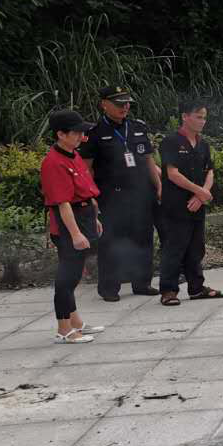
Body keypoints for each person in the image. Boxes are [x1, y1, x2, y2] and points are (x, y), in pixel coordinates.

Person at [79, 85, 161, 301]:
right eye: (118, 104)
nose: (124, 107)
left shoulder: (137, 127)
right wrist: (91, 197)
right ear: (104, 104)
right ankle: (109, 287)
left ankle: (142, 283)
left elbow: (148, 160)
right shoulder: (94, 133)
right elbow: (87, 169)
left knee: (143, 238)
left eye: (127, 103)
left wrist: (159, 186)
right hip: (112, 196)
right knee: (111, 242)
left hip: (141, 193)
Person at [40, 110, 106, 344]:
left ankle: (76, 322)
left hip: (84, 216)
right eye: (76, 132)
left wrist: (94, 218)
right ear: (60, 134)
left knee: (75, 275)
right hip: (68, 224)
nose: (81, 136)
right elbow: (62, 203)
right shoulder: (53, 163)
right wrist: (76, 234)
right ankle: (63, 329)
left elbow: (85, 192)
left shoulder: (73, 154)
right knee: (66, 279)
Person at [157, 100, 223, 305]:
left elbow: (210, 171)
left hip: (197, 204)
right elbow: (172, 173)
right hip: (176, 205)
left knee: (196, 248)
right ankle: (168, 290)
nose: (202, 121)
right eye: (198, 117)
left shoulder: (203, 144)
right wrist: (199, 192)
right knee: (174, 247)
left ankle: (196, 288)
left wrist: (202, 194)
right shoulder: (171, 142)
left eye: (204, 118)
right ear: (185, 117)